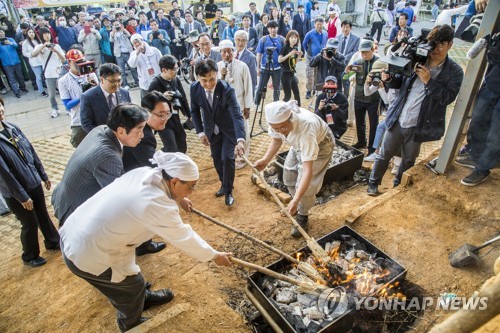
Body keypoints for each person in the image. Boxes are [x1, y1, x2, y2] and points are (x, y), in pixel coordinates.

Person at [60, 151, 233, 332]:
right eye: (191, 186)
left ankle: (143, 298)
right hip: (86, 250)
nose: (192, 191)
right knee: (129, 286)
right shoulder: (155, 204)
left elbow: (165, 196)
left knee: (132, 275)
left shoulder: (146, 173)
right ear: (174, 181)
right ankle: (130, 323)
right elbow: (184, 236)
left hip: (84, 230)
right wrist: (214, 256)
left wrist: (180, 197)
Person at [368, 25, 464, 195]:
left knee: (408, 160)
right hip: (398, 118)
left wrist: (429, 81)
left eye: (441, 45)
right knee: (384, 154)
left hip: (419, 124)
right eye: (433, 43)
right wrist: (389, 79)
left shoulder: (454, 71)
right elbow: (398, 82)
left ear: (450, 44)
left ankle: (398, 188)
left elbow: (447, 98)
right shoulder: (417, 58)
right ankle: (373, 184)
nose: (435, 49)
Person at [52, 104, 148, 226]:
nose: (142, 135)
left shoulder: (101, 129)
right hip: (76, 212)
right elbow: (118, 197)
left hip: (65, 197)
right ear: (121, 131)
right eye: (139, 129)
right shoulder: (108, 156)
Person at [253, 101, 334, 237]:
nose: (279, 131)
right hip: (298, 144)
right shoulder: (278, 125)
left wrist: (296, 200)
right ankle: (296, 203)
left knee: (307, 188)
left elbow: (307, 170)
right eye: (275, 128)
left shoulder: (305, 129)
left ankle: (303, 215)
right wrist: (265, 160)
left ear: (291, 118)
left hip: (321, 145)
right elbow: (277, 140)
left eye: (282, 127)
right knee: (289, 175)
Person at [0, 97, 60, 267]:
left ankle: (53, 242)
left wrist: (43, 175)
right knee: (29, 223)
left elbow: (31, 151)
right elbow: (4, 174)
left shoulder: (12, 127)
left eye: (1, 107)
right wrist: (21, 196)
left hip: (33, 182)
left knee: (42, 214)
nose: (0, 110)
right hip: (16, 192)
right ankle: (30, 255)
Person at [190, 59, 246, 206]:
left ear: (216, 75)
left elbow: (236, 114)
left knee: (227, 158)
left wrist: (240, 139)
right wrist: (200, 132)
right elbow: (194, 111)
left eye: (212, 79)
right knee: (217, 160)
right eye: (204, 81)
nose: (208, 84)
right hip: (211, 131)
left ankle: (228, 191)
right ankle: (224, 183)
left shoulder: (227, 89)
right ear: (198, 78)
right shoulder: (194, 89)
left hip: (228, 130)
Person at [456, 31, 499, 186]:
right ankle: (474, 155)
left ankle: (482, 168)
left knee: (496, 134)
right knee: (478, 122)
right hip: (491, 84)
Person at [217, 39, 253, 170]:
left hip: (240, 105)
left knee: (243, 132)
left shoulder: (242, 66)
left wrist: (247, 106)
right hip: (224, 108)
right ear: (221, 53)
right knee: (228, 132)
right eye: (224, 52)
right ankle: (231, 156)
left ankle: (242, 158)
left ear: (234, 51)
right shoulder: (217, 67)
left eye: (229, 51)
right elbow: (215, 89)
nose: (227, 54)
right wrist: (221, 77)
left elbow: (248, 87)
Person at [148, 54, 192, 153]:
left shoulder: (175, 80)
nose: (176, 72)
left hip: (175, 117)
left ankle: (178, 164)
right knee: (171, 147)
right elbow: (147, 104)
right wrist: (162, 97)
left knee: (182, 142)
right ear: (164, 70)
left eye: (177, 68)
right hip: (163, 121)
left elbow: (183, 98)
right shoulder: (155, 83)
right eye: (174, 69)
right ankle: (159, 160)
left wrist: (189, 115)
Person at [345, 38, 380, 155]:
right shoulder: (358, 63)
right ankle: (361, 142)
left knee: (373, 124)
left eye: (366, 52)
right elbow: (346, 77)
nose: (364, 55)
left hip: (373, 99)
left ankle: (372, 147)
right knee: (359, 122)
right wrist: (347, 71)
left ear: (372, 49)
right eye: (362, 52)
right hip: (359, 97)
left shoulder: (379, 62)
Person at [58, 49, 98, 147]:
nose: (80, 64)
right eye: (76, 62)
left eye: (81, 61)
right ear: (69, 62)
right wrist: (82, 96)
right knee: (79, 145)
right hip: (79, 119)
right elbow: (67, 105)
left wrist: (95, 86)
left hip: (95, 116)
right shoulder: (63, 81)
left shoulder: (90, 73)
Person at [123, 91, 170, 170]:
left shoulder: (139, 124)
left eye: (168, 114)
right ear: (147, 112)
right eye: (161, 115)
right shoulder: (143, 136)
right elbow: (153, 167)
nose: (165, 119)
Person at [80, 63, 132, 133]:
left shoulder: (125, 93)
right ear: (102, 79)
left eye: (119, 80)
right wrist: (104, 136)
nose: (117, 84)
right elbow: (86, 124)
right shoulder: (88, 97)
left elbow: (130, 115)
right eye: (113, 81)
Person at [32, 28, 65, 118]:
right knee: (51, 94)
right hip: (49, 74)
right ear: (42, 36)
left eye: (48, 34)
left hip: (59, 73)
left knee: (64, 92)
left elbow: (64, 59)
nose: (47, 36)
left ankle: (68, 108)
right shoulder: (39, 46)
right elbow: (33, 54)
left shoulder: (57, 46)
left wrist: (56, 51)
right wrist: (43, 46)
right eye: (45, 34)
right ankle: (55, 109)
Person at [255, 20, 285, 105]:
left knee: (277, 88)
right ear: (268, 29)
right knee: (261, 87)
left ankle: (275, 105)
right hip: (265, 67)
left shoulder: (282, 40)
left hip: (277, 68)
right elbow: (259, 54)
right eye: (271, 28)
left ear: (277, 28)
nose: (273, 30)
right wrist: (258, 67)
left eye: (275, 27)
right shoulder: (263, 39)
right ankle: (257, 104)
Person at [128, 34, 162, 98]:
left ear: (142, 40)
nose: (137, 44)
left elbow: (161, 63)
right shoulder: (133, 54)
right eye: (135, 43)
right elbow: (132, 65)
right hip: (145, 81)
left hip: (157, 78)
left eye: (138, 41)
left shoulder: (154, 50)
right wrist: (137, 53)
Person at [303, 17, 328, 99]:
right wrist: (309, 51)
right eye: (318, 24)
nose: (319, 26)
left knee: (317, 74)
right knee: (309, 74)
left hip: (321, 58)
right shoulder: (309, 34)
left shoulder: (325, 33)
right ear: (315, 25)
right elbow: (304, 44)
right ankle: (308, 91)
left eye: (321, 24)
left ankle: (315, 89)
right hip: (310, 57)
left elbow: (325, 43)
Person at [111, 20, 139, 89]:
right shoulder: (112, 33)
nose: (117, 26)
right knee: (122, 71)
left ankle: (138, 81)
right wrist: (114, 32)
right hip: (119, 54)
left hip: (128, 52)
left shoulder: (123, 30)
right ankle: (125, 84)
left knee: (132, 68)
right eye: (115, 25)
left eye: (118, 24)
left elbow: (129, 35)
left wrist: (123, 30)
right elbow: (111, 40)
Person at [21, 27, 47, 98]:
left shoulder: (38, 41)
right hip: (34, 62)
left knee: (46, 75)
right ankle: (41, 90)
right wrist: (31, 55)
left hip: (42, 60)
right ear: (27, 33)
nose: (31, 34)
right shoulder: (25, 43)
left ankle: (49, 87)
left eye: (32, 32)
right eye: (29, 32)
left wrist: (43, 51)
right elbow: (24, 52)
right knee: (38, 77)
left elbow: (44, 48)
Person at [0, 29, 26, 99]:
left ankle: (23, 87)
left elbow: (16, 46)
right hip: (7, 64)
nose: (1, 34)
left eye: (1, 32)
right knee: (12, 79)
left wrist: (10, 43)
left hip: (16, 61)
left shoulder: (10, 39)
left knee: (20, 76)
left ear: (4, 32)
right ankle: (16, 92)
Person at [279, 30, 303, 105]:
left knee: (297, 95)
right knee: (288, 96)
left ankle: (299, 110)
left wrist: (299, 56)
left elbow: (294, 62)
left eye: (295, 38)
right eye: (292, 38)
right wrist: (290, 54)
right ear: (288, 38)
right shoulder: (285, 47)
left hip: (292, 74)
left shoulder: (295, 48)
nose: (294, 39)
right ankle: (280, 109)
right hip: (285, 75)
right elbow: (279, 60)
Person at [234, 30, 258, 96]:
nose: (240, 43)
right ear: (234, 40)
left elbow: (253, 79)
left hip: (244, 91)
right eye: (238, 40)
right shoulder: (231, 54)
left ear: (247, 42)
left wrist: (250, 95)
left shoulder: (251, 57)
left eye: (243, 40)